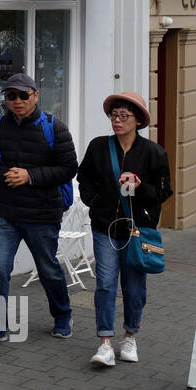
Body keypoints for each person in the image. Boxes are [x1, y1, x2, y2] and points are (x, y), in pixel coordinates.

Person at [0, 73, 78, 344]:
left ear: (35, 95)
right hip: (7, 212)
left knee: (48, 269)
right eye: (11, 96)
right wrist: (5, 175)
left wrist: (29, 176)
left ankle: (63, 316)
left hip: (42, 214)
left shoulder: (54, 128)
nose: (17, 101)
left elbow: (69, 168)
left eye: (23, 95)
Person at [76, 92, 172, 367]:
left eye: (123, 116)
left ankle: (130, 335)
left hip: (137, 231)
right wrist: (95, 202)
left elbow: (164, 192)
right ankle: (105, 341)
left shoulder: (154, 153)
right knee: (105, 284)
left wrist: (141, 187)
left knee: (133, 288)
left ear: (138, 120)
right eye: (113, 116)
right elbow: (84, 179)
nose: (117, 121)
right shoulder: (98, 147)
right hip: (105, 227)